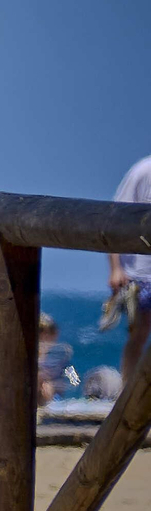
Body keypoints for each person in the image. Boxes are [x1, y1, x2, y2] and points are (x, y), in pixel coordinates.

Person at [109, 155, 151, 380]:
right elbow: (113, 219)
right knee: (139, 333)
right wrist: (115, 268)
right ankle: (127, 394)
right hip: (138, 273)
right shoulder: (143, 172)